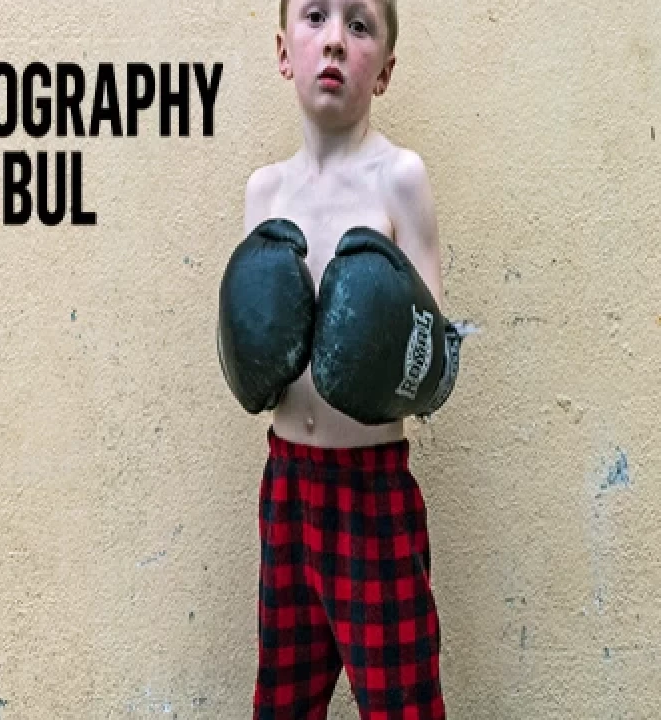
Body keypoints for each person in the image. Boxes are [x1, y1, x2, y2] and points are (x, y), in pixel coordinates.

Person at [216, 0, 472, 716]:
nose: (334, 40)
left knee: (402, 704)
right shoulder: (265, 191)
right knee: (284, 702)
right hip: (288, 486)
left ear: (383, 70)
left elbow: (433, 359)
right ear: (283, 53)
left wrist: (386, 349)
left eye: (359, 26)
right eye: (315, 18)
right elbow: (253, 345)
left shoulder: (399, 178)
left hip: (371, 491)